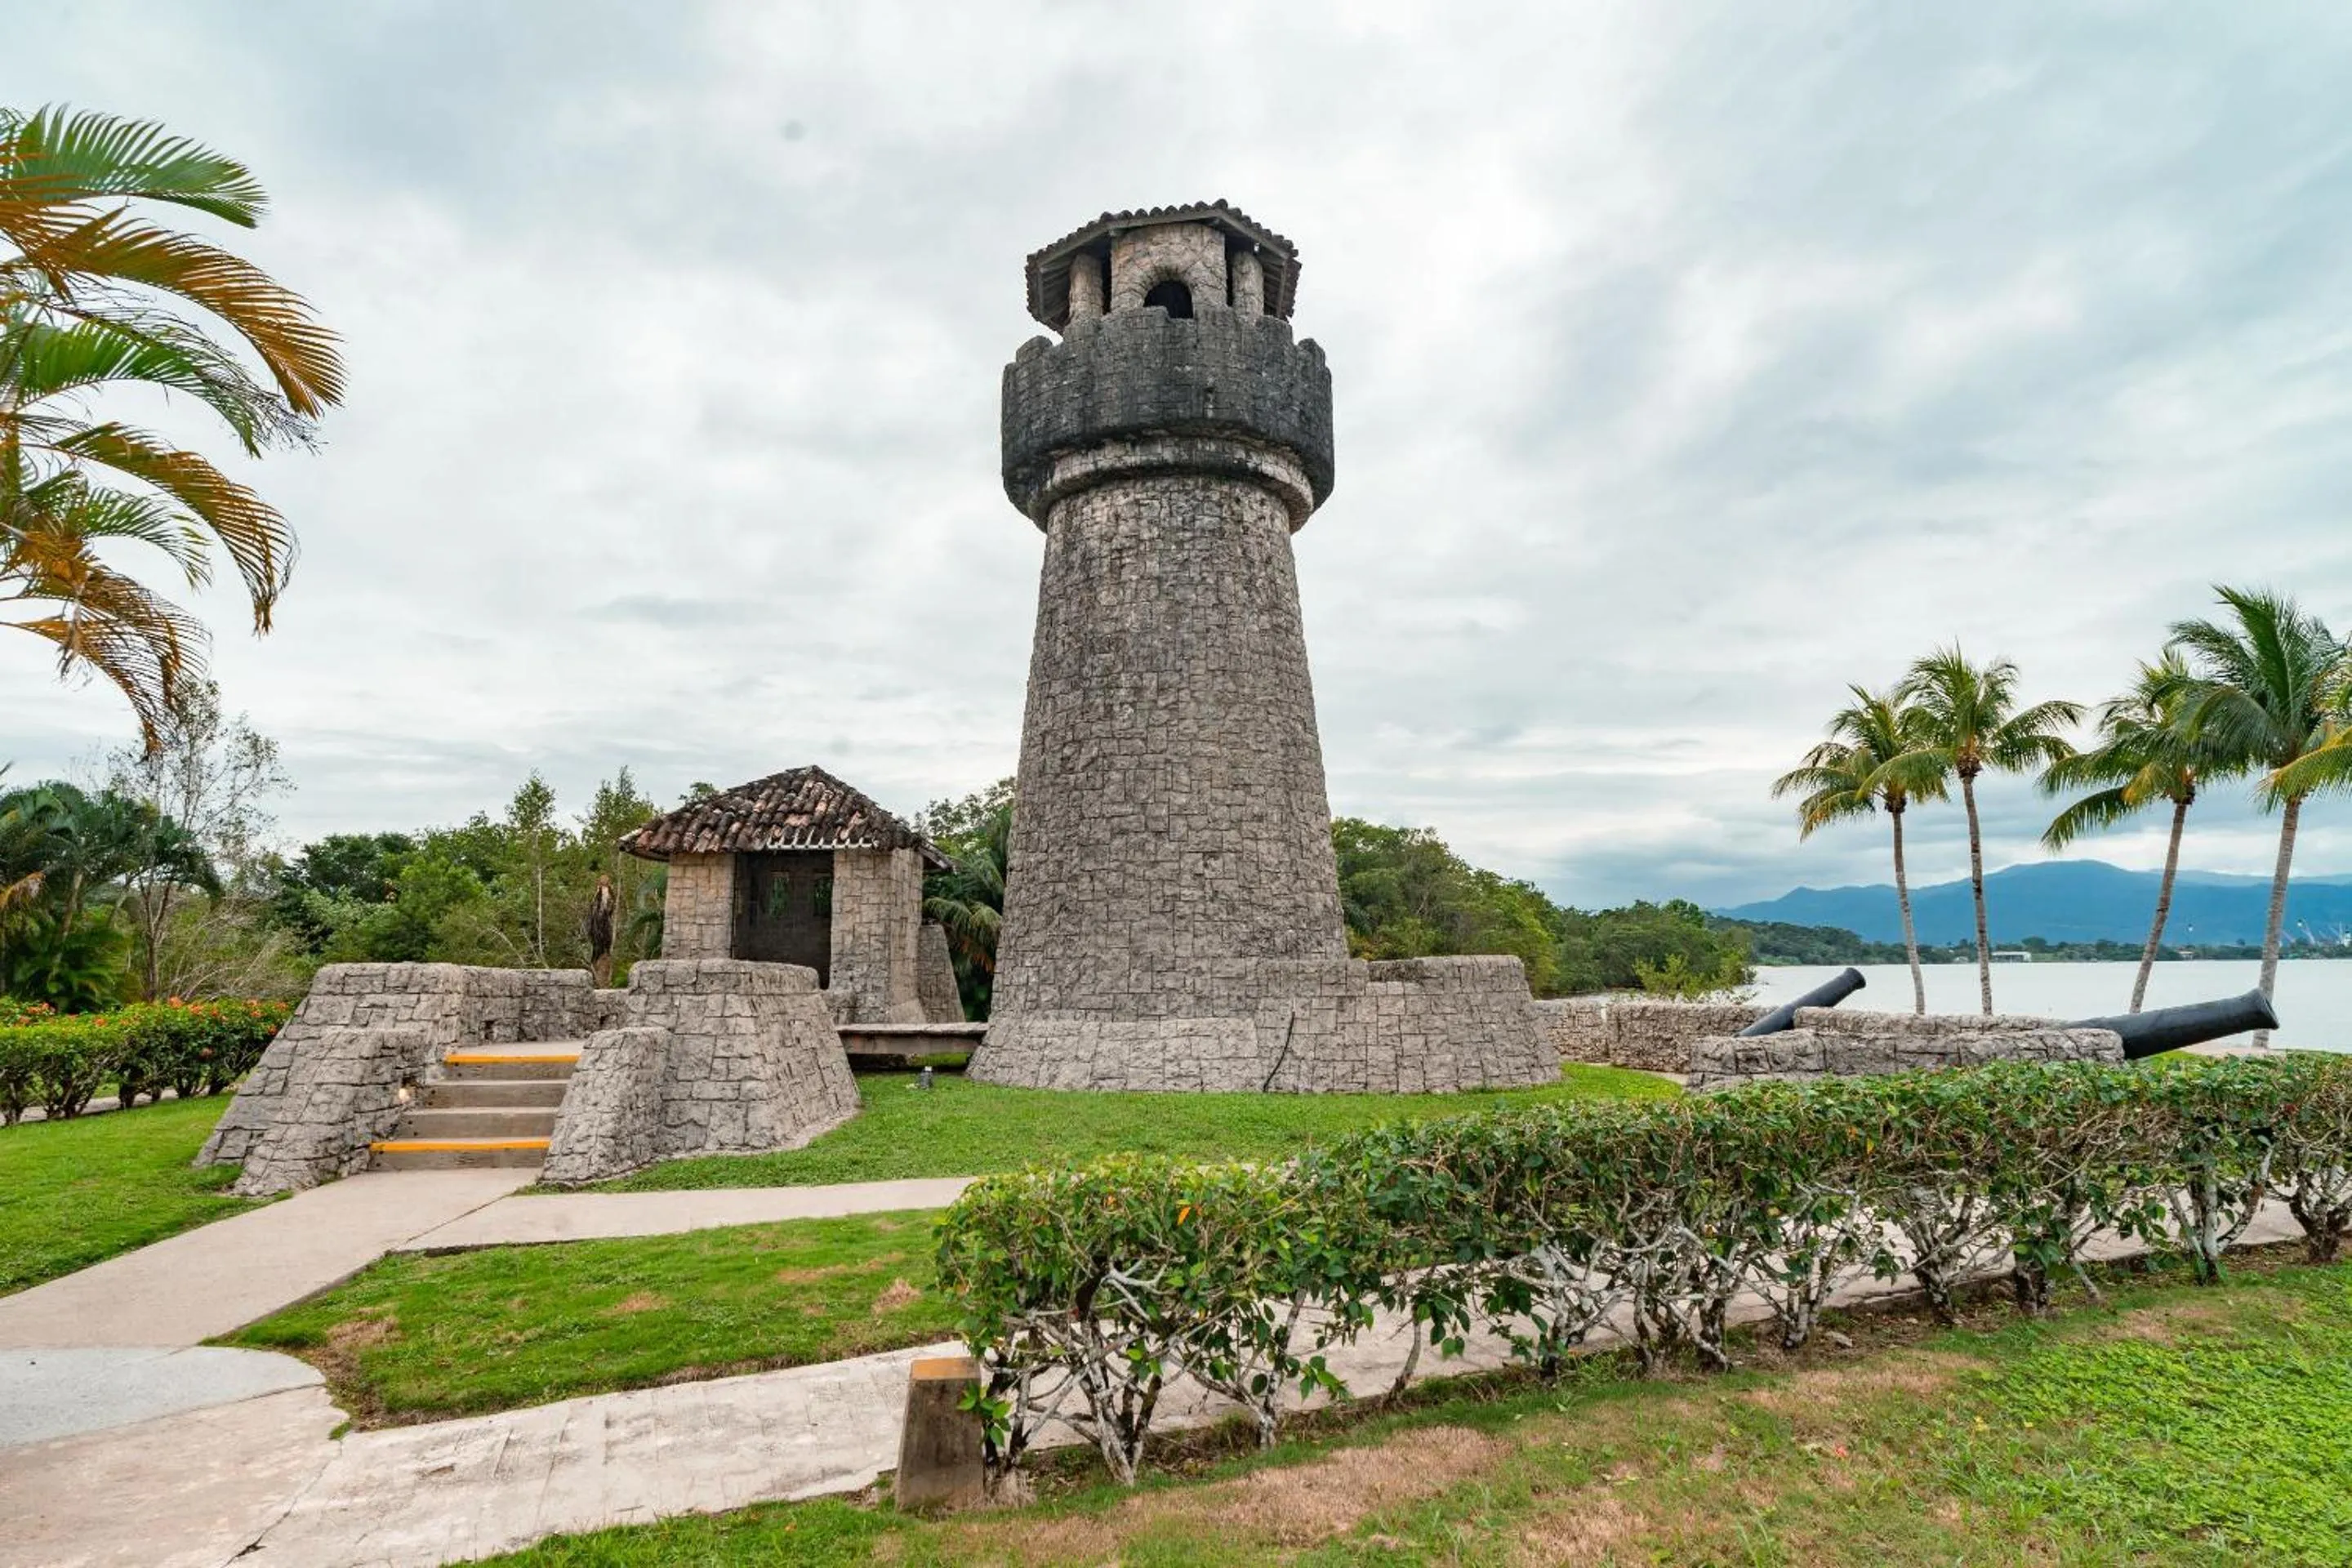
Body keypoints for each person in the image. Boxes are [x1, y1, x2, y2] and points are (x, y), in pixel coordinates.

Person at [586, 872, 618, 987]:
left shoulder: (610, 891)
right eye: (603, 880)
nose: (604, 881)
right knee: (598, 940)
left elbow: (611, 905)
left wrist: (608, 911)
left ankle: (604, 955)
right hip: (598, 921)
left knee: (606, 939)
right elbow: (594, 907)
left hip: (605, 919)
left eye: (606, 879)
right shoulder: (597, 892)